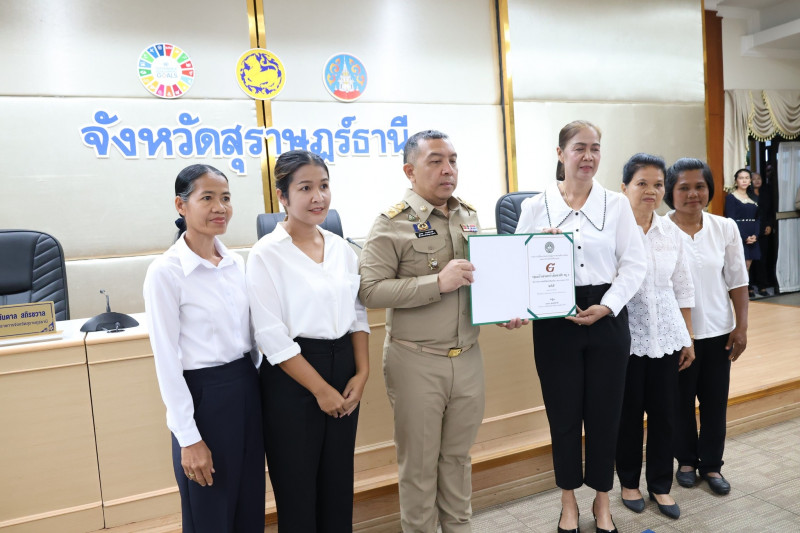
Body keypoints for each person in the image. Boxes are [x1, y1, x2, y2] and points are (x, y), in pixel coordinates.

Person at [515, 120, 646, 533]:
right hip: (555, 320)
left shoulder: (616, 205)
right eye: (579, 148)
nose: (588, 156)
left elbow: (634, 264)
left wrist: (607, 306)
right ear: (560, 154)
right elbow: (517, 265)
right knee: (564, 415)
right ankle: (568, 500)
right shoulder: (535, 207)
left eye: (595, 148)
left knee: (606, 415)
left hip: (607, 316)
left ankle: (602, 501)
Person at [358, 130, 483, 532]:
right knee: (419, 466)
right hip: (416, 360)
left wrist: (502, 311)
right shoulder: (390, 224)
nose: (448, 170)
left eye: (453, 160)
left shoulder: (468, 215)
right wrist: (436, 283)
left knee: (458, 459)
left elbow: (482, 281)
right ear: (410, 171)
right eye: (436, 161)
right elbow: (369, 291)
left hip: (468, 358)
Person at [246, 150, 370, 532]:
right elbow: (270, 336)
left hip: (344, 366)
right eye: (305, 188)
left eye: (324, 186)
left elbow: (358, 313)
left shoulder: (340, 247)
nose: (319, 197)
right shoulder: (265, 254)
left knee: (338, 486)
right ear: (282, 196)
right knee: (297, 491)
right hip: (294, 377)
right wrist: (320, 390)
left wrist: (362, 373)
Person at [142, 164, 264, 533]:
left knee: (249, 506)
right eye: (207, 198)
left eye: (225, 198)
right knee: (210, 512)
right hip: (204, 398)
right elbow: (166, 360)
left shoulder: (236, 263)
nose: (220, 207)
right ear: (181, 206)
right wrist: (188, 437)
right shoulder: (166, 272)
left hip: (246, 387)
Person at [615, 153, 695, 520]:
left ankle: (661, 485)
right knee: (628, 415)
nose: (651, 191)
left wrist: (687, 337)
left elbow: (683, 287)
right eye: (642, 183)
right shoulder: (613, 232)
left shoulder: (671, 233)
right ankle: (629, 483)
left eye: (658, 184)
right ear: (624, 188)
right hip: (626, 338)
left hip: (667, 336)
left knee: (665, 415)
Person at [663, 158, 749, 496]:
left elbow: (738, 280)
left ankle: (712, 465)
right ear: (671, 191)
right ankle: (685, 461)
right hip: (675, 335)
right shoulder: (658, 230)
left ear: (709, 189)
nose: (693, 194)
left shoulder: (724, 227)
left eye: (699, 186)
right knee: (679, 402)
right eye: (683, 187)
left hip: (718, 332)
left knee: (714, 403)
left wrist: (741, 327)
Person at [725, 168, 760, 297]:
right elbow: (731, 219)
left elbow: (758, 218)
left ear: (750, 181)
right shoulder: (731, 197)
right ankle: (737, 295)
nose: (744, 180)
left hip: (753, 235)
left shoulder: (754, 197)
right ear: (736, 181)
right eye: (741, 178)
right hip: (739, 235)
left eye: (747, 178)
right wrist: (745, 237)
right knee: (740, 266)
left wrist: (756, 235)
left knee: (748, 265)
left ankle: (744, 294)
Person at [748, 172, 776, 296]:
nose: (757, 180)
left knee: (762, 259)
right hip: (750, 231)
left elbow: (770, 211)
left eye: (759, 178)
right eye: (754, 179)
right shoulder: (747, 194)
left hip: (764, 230)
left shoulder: (766, 193)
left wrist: (770, 225)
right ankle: (749, 287)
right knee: (750, 260)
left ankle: (762, 286)